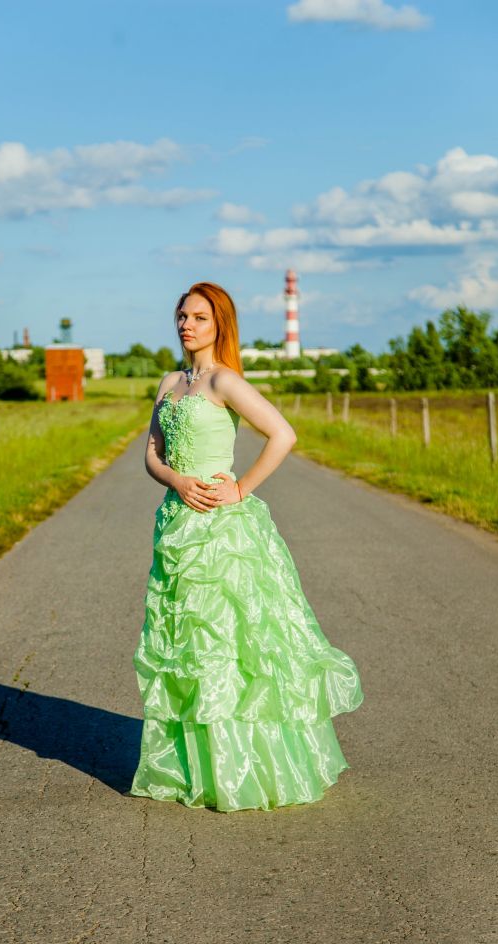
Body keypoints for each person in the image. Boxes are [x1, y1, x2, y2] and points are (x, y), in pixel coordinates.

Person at [130, 282, 363, 812]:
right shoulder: (170, 382)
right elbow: (151, 454)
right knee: (186, 645)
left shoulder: (224, 380)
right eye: (182, 316)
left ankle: (244, 769)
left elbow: (283, 434)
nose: (187, 325)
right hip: (176, 526)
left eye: (199, 318)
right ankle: (195, 767)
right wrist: (175, 480)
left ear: (219, 325)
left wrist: (240, 488)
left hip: (223, 534)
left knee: (229, 643)